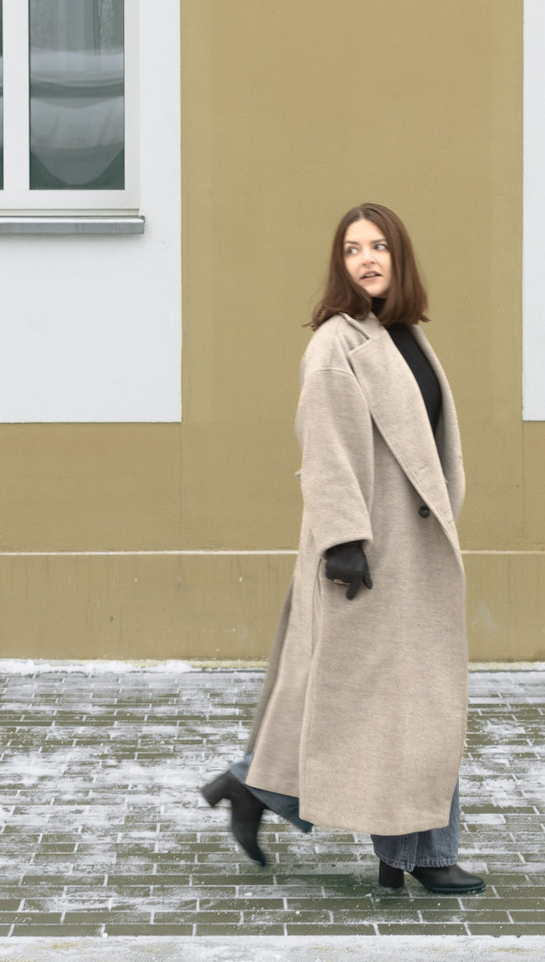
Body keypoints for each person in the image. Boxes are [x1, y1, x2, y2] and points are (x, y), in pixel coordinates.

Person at [201, 202, 484, 896]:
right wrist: (344, 541)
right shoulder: (336, 343)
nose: (367, 259)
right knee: (399, 707)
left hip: (413, 549)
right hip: (370, 552)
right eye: (353, 249)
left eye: (379, 245)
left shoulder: (406, 336)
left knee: (402, 704)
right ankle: (420, 854)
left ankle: (258, 789)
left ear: (400, 256)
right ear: (340, 265)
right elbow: (326, 448)